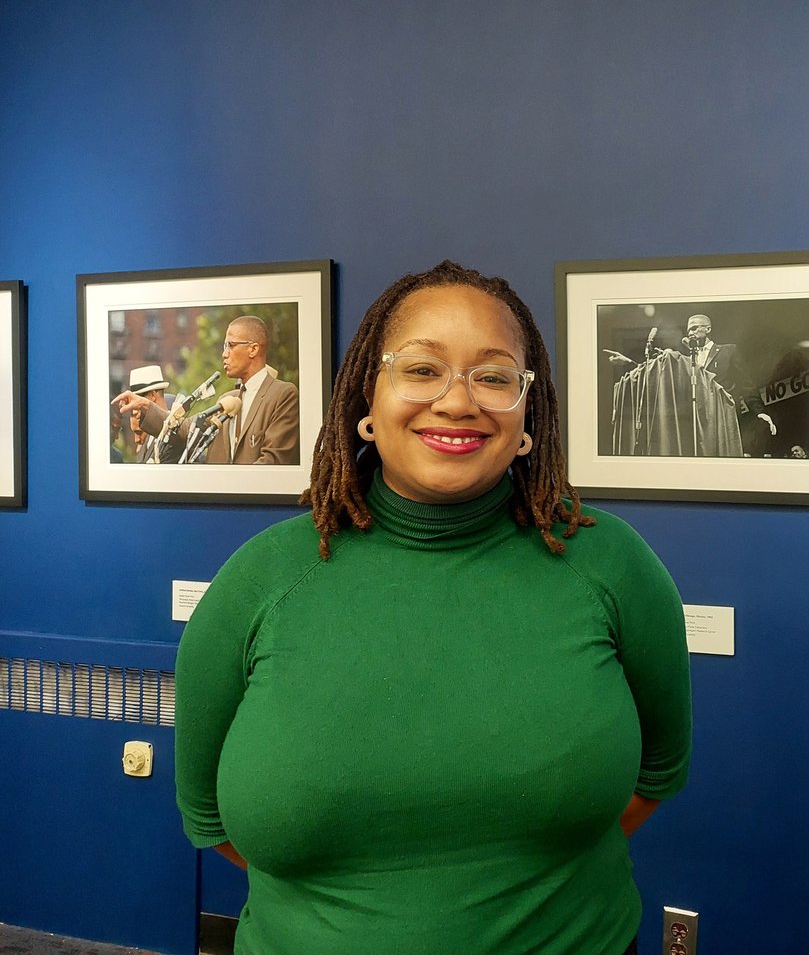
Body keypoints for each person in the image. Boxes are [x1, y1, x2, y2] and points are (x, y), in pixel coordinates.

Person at [174, 263, 692, 955]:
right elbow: (211, 819)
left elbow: (657, 772)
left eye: (494, 375)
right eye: (421, 370)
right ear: (368, 392)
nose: (457, 401)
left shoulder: (610, 564)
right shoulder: (258, 582)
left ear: (526, 411)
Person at [115, 315, 301, 465]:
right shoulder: (229, 399)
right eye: (224, 346)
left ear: (253, 349)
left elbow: (273, 462)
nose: (224, 353)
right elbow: (188, 428)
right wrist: (147, 406)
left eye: (231, 345)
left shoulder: (283, 395)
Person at [606, 312, 775, 457]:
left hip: (719, 415)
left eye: (695, 328)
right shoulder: (685, 359)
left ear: (707, 329)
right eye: (689, 330)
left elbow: (747, 384)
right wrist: (630, 362)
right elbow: (659, 377)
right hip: (693, 420)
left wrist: (760, 412)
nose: (691, 332)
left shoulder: (728, 351)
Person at [115, 365, 170, 463]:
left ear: (153, 395)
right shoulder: (145, 443)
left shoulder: (174, 435)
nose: (136, 440)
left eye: (137, 400)